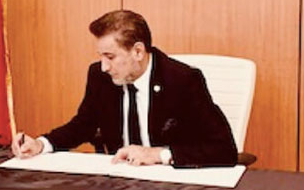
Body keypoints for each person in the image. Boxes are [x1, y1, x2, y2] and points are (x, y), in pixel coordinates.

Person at [12, 10, 237, 167]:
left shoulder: (183, 80)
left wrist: (158, 154)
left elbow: (224, 149)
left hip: (170, 187)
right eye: (101, 56)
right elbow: (83, 126)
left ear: (138, 52)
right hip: (118, 186)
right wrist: (41, 144)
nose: (104, 66)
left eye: (110, 57)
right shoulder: (100, 77)